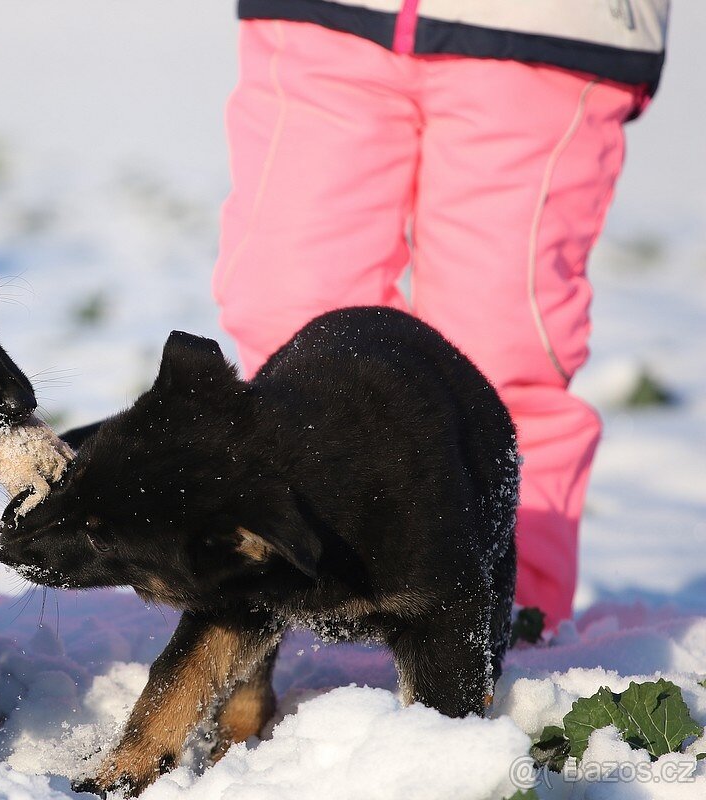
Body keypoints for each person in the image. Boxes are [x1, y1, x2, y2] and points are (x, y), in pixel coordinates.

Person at [213, 1, 670, 627]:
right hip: (331, 20)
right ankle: (286, 584)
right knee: (286, 315)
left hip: (545, 32)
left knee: (501, 353)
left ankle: (504, 618)